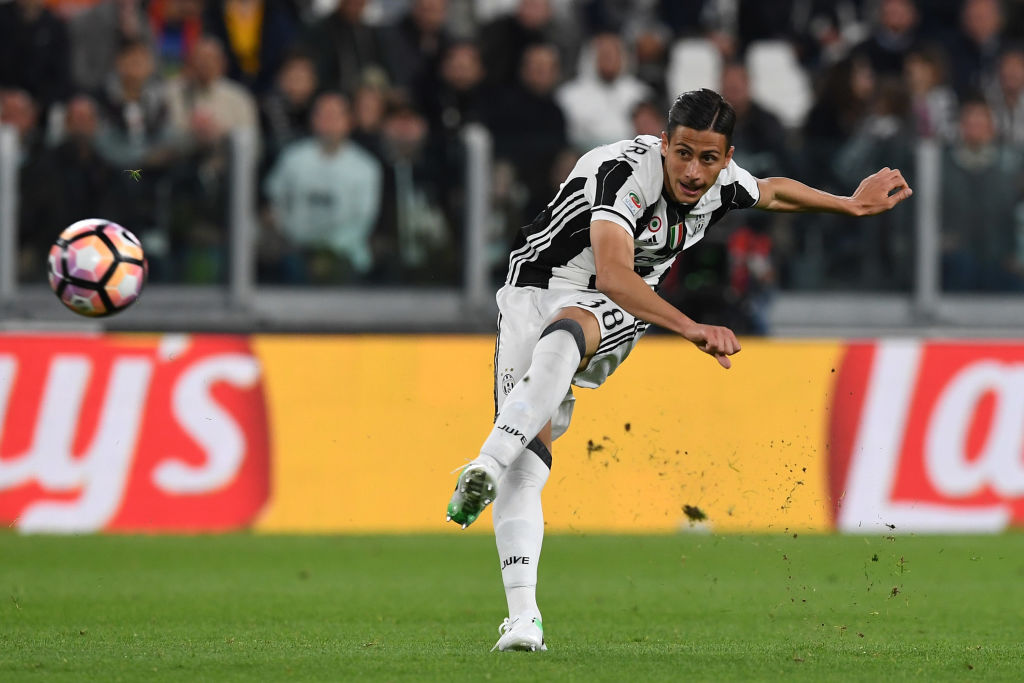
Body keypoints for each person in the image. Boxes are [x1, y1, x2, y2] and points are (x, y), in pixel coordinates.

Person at [444, 88, 913, 652]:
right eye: (684, 153)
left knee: (570, 331)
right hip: (530, 294)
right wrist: (691, 327)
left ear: (726, 155)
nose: (694, 171)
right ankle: (523, 620)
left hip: (612, 303)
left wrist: (849, 204)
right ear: (664, 143)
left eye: (709, 158)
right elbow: (616, 268)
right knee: (529, 462)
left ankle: (485, 463)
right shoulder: (622, 174)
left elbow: (770, 192)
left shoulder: (721, 183)